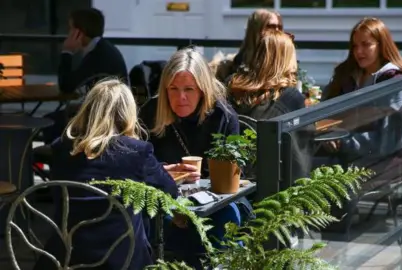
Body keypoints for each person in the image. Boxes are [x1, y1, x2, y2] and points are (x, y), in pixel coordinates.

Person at [33, 79, 196, 269]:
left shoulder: (61, 148)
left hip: (65, 257)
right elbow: (169, 194)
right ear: (128, 113)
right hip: (121, 260)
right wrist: (155, 172)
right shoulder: (136, 151)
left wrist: (155, 169)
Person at [140, 48, 247, 269]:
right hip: (163, 200)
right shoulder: (151, 112)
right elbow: (136, 164)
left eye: (189, 89)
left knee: (227, 218)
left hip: (216, 201)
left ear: (202, 89)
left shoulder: (222, 116)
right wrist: (163, 172)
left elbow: (235, 176)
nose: (180, 97)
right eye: (173, 89)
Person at [228, 29, 312, 180]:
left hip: (232, 178)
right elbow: (301, 154)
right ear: (285, 60)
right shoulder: (290, 97)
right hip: (272, 183)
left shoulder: (231, 86)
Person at [322, 17, 402, 158]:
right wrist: (327, 133)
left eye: (366, 44)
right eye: (355, 46)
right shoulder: (346, 73)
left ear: (381, 45)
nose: (359, 51)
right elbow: (324, 109)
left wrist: (343, 142)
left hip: (378, 164)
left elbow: (389, 140)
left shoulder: (393, 80)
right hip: (337, 153)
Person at [42, 8, 128, 144]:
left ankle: (60, 162)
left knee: (49, 122)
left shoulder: (98, 55)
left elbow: (67, 86)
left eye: (70, 29)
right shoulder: (103, 48)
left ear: (79, 33)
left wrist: (67, 52)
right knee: (56, 117)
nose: (68, 34)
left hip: (101, 120)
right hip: (106, 113)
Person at [229, 9, 283, 79]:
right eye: (271, 26)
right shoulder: (241, 60)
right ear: (256, 29)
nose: (277, 31)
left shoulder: (283, 58)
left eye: (279, 27)